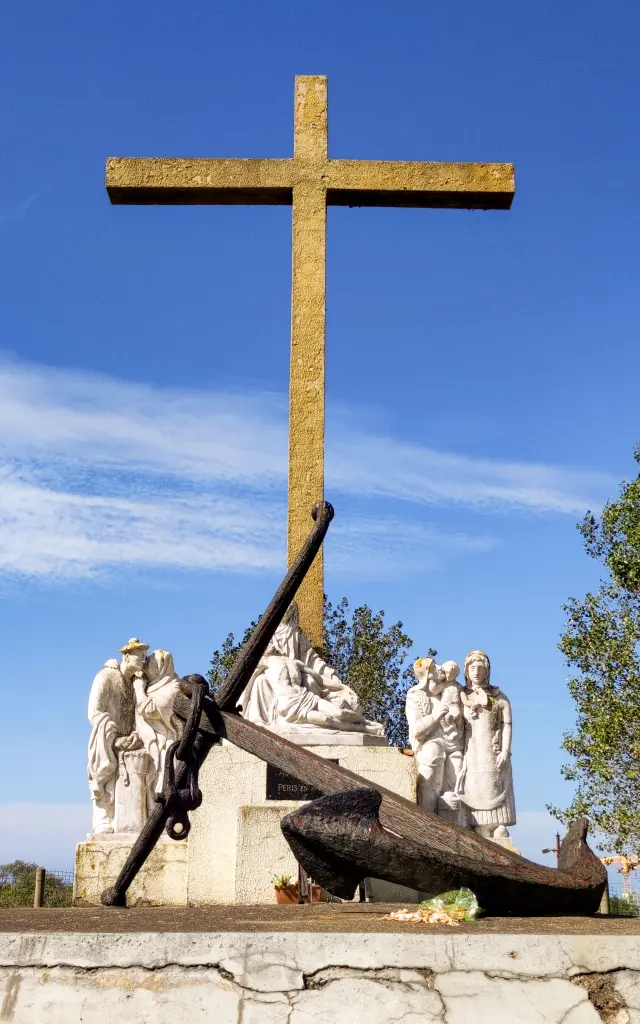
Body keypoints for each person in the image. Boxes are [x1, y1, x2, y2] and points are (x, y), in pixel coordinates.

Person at [238, 601, 385, 736]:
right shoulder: (266, 652)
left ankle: (365, 725)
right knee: (260, 682)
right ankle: (259, 722)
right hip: (288, 705)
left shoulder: (296, 640)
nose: (287, 610)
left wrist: (340, 685)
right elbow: (249, 673)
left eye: (291, 607)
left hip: (304, 694)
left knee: (313, 685)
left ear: (294, 611)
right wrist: (239, 707)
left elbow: (313, 663)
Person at [86, 638, 147, 834]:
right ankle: (103, 819)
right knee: (106, 777)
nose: (144, 662)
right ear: (127, 657)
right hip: (108, 739)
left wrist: (136, 734)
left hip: (129, 742)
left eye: (145, 657)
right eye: (140, 657)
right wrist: (113, 736)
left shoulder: (136, 683)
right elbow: (94, 712)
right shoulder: (106, 676)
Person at [455, 650, 516, 839]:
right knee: (474, 786)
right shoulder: (460, 696)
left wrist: (505, 750)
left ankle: (497, 825)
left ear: (486, 671)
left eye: (480, 668)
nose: (476, 672)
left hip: (493, 750)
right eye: (472, 668)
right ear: (466, 671)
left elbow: (507, 725)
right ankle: (475, 824)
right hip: (471, 751)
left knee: (494, 785)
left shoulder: (499, 698)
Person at [405, 657, 464, 813]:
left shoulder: (451, 690)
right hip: (431, 744)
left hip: (453, 744)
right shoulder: (415, 696)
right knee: (432, 755)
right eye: (433, 668)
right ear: (427, 675)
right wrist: (434, 716)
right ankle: (428, 818)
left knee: (460, 774)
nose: (439, 668)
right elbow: (416, 730)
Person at [133, 648, 183, 797]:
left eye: (151, 662)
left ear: (161, 667)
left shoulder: (173, 687)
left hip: (166, 743)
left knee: (163, 783)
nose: (146, 663)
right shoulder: (149, 686)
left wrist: (138, 689)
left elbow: (150, 710)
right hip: (148, 742)